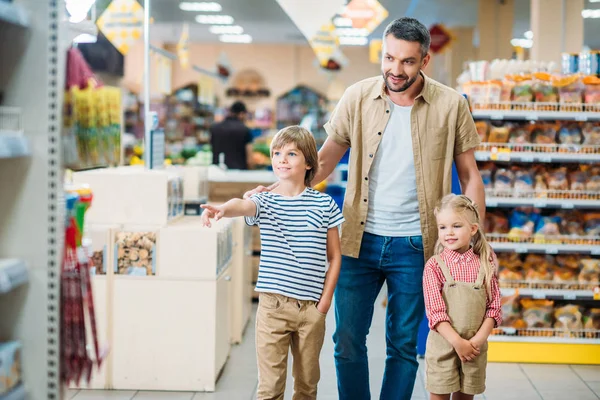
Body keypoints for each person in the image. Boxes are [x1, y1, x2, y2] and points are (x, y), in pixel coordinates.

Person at [244, 17, 486, 399]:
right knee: (347, 341)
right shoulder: (358, 96)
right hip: (358, 239)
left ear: (424, 60)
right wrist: (276, 189)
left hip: (417, 245)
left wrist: (475, 240)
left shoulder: (451, 105)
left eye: (407, 61)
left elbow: (470, 175)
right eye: (389, 58)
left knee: (403, 345)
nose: (395, 69)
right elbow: (321, 162)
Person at [201, 126, 345, 400]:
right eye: (277, 153)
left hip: (311, 310)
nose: (282, 159)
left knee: (306, 386)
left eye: (291, 153)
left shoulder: (324, 204)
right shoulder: (264, 200)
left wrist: (324, 305)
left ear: (309, 162)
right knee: (269, 388)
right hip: (272, 308)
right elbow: (241, 205)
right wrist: (222, 209)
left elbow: (335, 257)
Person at [423, 194, 501, 400]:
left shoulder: (485, 263)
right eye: (443, 227)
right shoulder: (434, 266)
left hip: (474, 348)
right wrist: (458, 342)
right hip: (443, 347)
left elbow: (494, 307)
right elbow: (435, 313)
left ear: (473, 229)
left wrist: (478, 340)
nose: (449, 233)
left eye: (456, 226)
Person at [209, 101, 254, 169]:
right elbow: (249, 159)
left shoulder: (215, 128)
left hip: (217, 171)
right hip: (239, 172)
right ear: (241, 114)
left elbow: (212, 147)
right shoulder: (245, 130)